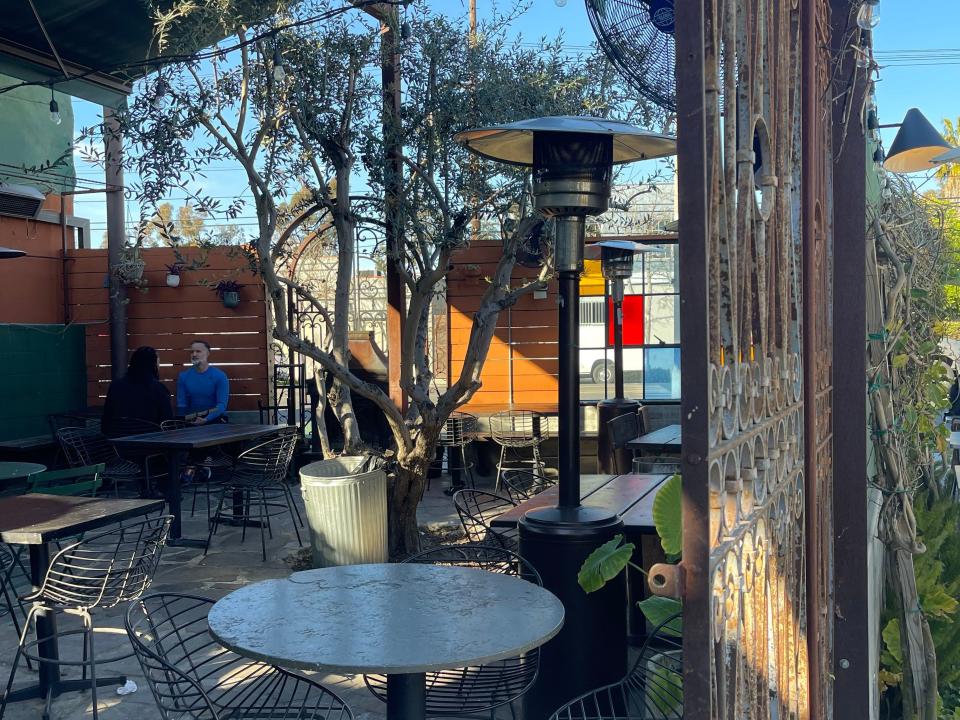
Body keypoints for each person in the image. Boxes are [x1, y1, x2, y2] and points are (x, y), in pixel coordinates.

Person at [101, 346, 173, 437]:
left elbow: (105, 423)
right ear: (153, 365)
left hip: (117, 446)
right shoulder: (159, 389)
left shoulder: (115, 386)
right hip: (151, 445)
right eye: (158, 364)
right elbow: (168, 425)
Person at [176, 339, 230, 424]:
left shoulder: (220, 376)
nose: (194, 354)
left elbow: (221, 405)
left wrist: (206, 419)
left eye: (198, 351)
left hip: (216, 419)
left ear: (207, 353)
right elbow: (182, 404)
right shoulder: (183, 377)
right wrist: (186, 420)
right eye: (192, 352)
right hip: (192, 419)